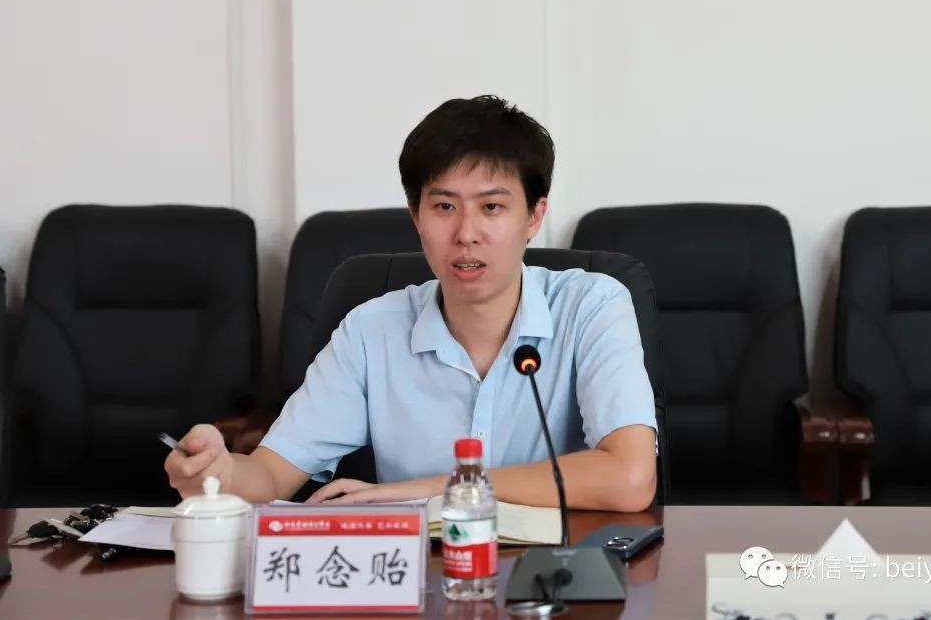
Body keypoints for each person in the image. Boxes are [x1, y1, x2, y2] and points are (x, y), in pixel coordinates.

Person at [165, 95, 659, 511]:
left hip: (556, 575)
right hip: (422, 577)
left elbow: (631, 477)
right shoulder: (371, 331)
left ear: (534, 216)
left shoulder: (592, 306)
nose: (466, 233)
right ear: (416, 216)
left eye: (491, 207)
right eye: (444, 206)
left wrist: (428, 490)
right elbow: (271, 476)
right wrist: (218, 475)